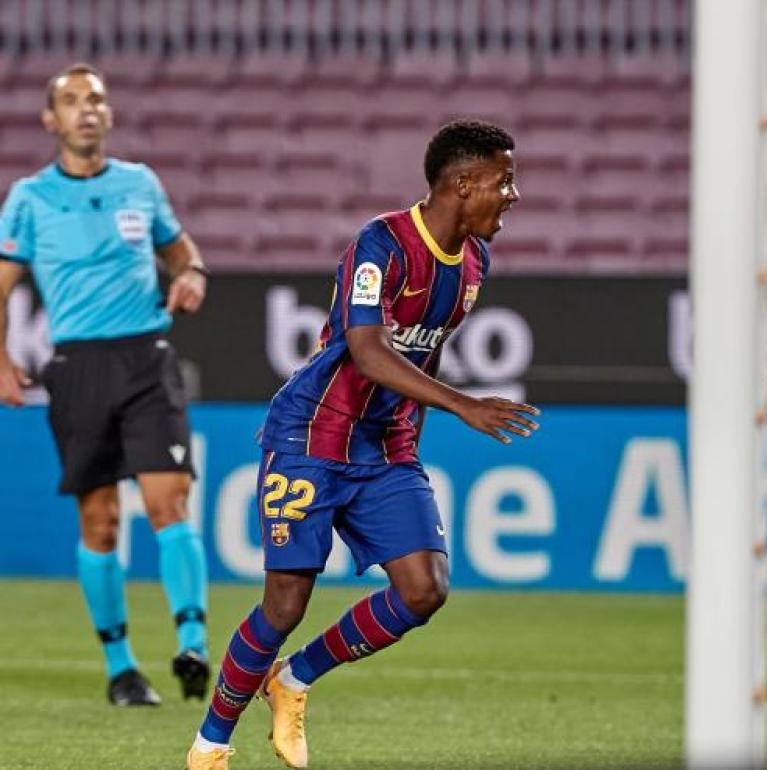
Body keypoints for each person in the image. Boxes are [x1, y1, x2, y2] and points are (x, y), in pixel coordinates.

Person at [185, 119, 539, 770]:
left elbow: (424, 353)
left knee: (424, 589)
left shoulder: (475, 264)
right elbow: (368, 350)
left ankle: (292, 680)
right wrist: (465, 405)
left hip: (384, 446)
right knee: (285, 601)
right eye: (504, 180)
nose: (513, 194)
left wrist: (414, 438)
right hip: (312, 433)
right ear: (463, 183)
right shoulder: (381, 244)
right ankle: (209, 747)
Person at [0, 63, 211, 706]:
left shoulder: (140, 184)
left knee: (168, 500)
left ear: (109, 115)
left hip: (147, 356)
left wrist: (193, 272)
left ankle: (193, 643)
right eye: (70, 100)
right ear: (50, 121)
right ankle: (122, 668)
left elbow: (179, 250)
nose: (86, 108)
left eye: (95, 98)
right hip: (79, 366)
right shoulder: (30, 199)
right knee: (101, 521)